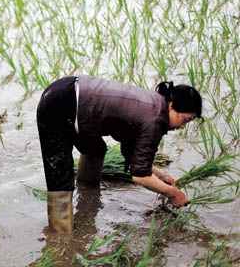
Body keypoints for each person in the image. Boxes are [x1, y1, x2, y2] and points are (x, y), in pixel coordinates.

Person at [36, 75, 202, 233]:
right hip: (60, 104)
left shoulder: (155, 105)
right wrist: (174, 193)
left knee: (95, 150)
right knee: (60, 176)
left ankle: (87, 194)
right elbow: (140, 176)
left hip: (73, 93)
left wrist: (158, 175)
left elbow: (134, 155)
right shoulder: (155, 120)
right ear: (171, 106)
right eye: (185, 120)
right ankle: (60, 237)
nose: (182, 127)